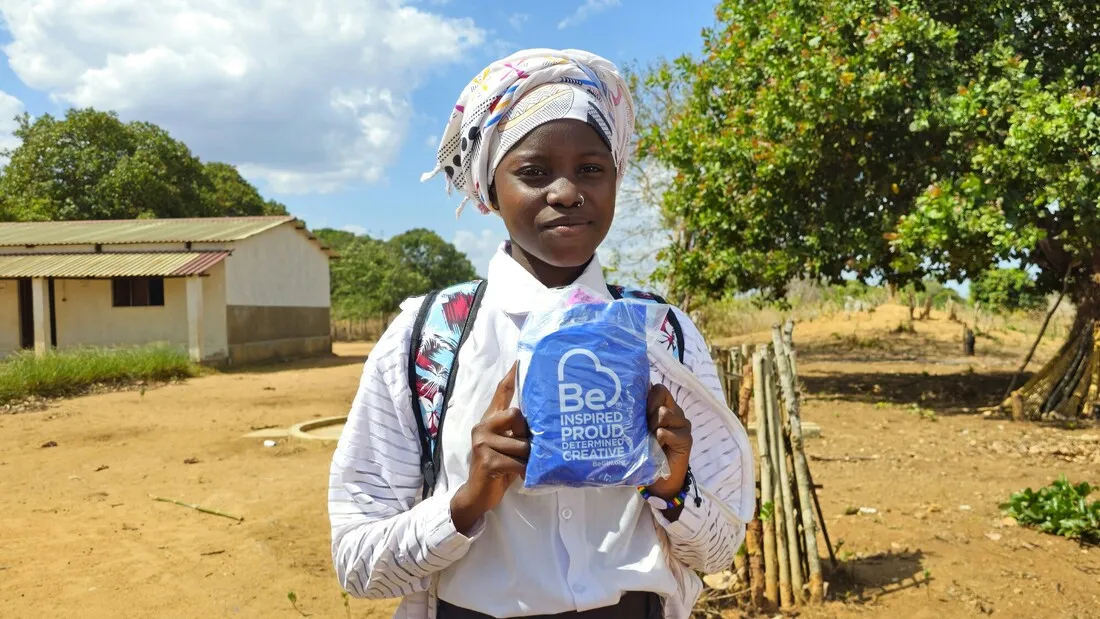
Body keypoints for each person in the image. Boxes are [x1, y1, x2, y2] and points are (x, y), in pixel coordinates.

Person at [329, 48, 753, 619]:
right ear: (489, 186)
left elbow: (723, 545)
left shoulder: (663, 336)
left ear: (615, 179)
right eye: (533, 172)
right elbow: (357, 563)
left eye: (591, 169)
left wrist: (672, 488)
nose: (566, 192)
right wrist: (466, 504)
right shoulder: (431, 340)